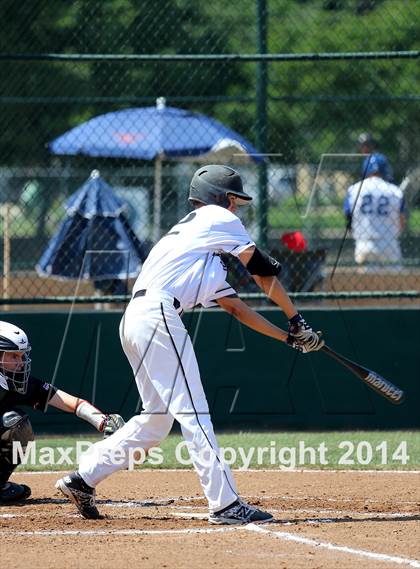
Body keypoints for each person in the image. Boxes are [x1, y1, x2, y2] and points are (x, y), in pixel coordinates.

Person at [56, 165, 324, 524]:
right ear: (219, 198)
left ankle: (83, 479)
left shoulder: (196, 253)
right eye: (234, 201)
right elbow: (261, 269)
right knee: (194, 412)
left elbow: (237, 309)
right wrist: (296, 318)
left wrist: (289, 338)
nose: (236, 210)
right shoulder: (214, 216)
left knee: (156, 421)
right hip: (157, 315)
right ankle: (225, 503)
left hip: (138, 318)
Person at [0, 320, 125, 504]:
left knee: (17, 425)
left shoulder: (20, 383)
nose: (20, 363)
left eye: (21, 356)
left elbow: (69, 402)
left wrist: (103, 421)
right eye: (13, 356)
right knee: (11, 422)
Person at [344, 154, 406, 271]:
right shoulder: (395, 191)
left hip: (364, 243)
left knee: (365, 286)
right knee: (396, 285)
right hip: (389, 244)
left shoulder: (354, 190)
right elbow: (401, 222)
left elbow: (348, 217)